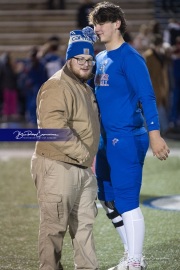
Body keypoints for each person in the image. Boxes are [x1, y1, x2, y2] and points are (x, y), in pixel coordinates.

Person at [89, 2, 170, 270]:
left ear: (117, 24)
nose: (96, 28)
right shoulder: (99, 59)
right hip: (105, 139)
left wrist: (155, 135)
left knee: (126, 200)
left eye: (102, 22)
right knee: (108, 199)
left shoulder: (130, 58)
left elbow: (147, 97)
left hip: (127, 137)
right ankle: (130, 255)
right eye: (94, 23)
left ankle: (135, 261)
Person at [30, 27, 100, 270]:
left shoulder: (85, 86)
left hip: (81, 167)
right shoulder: (57, 85)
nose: (85, 63)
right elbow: (53, 129)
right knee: (54, 229)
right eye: (80, 58)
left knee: (85, 227)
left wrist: (88, 161)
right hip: (58, 165)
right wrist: (85, 155)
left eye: (89, 59)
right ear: (69, 59)